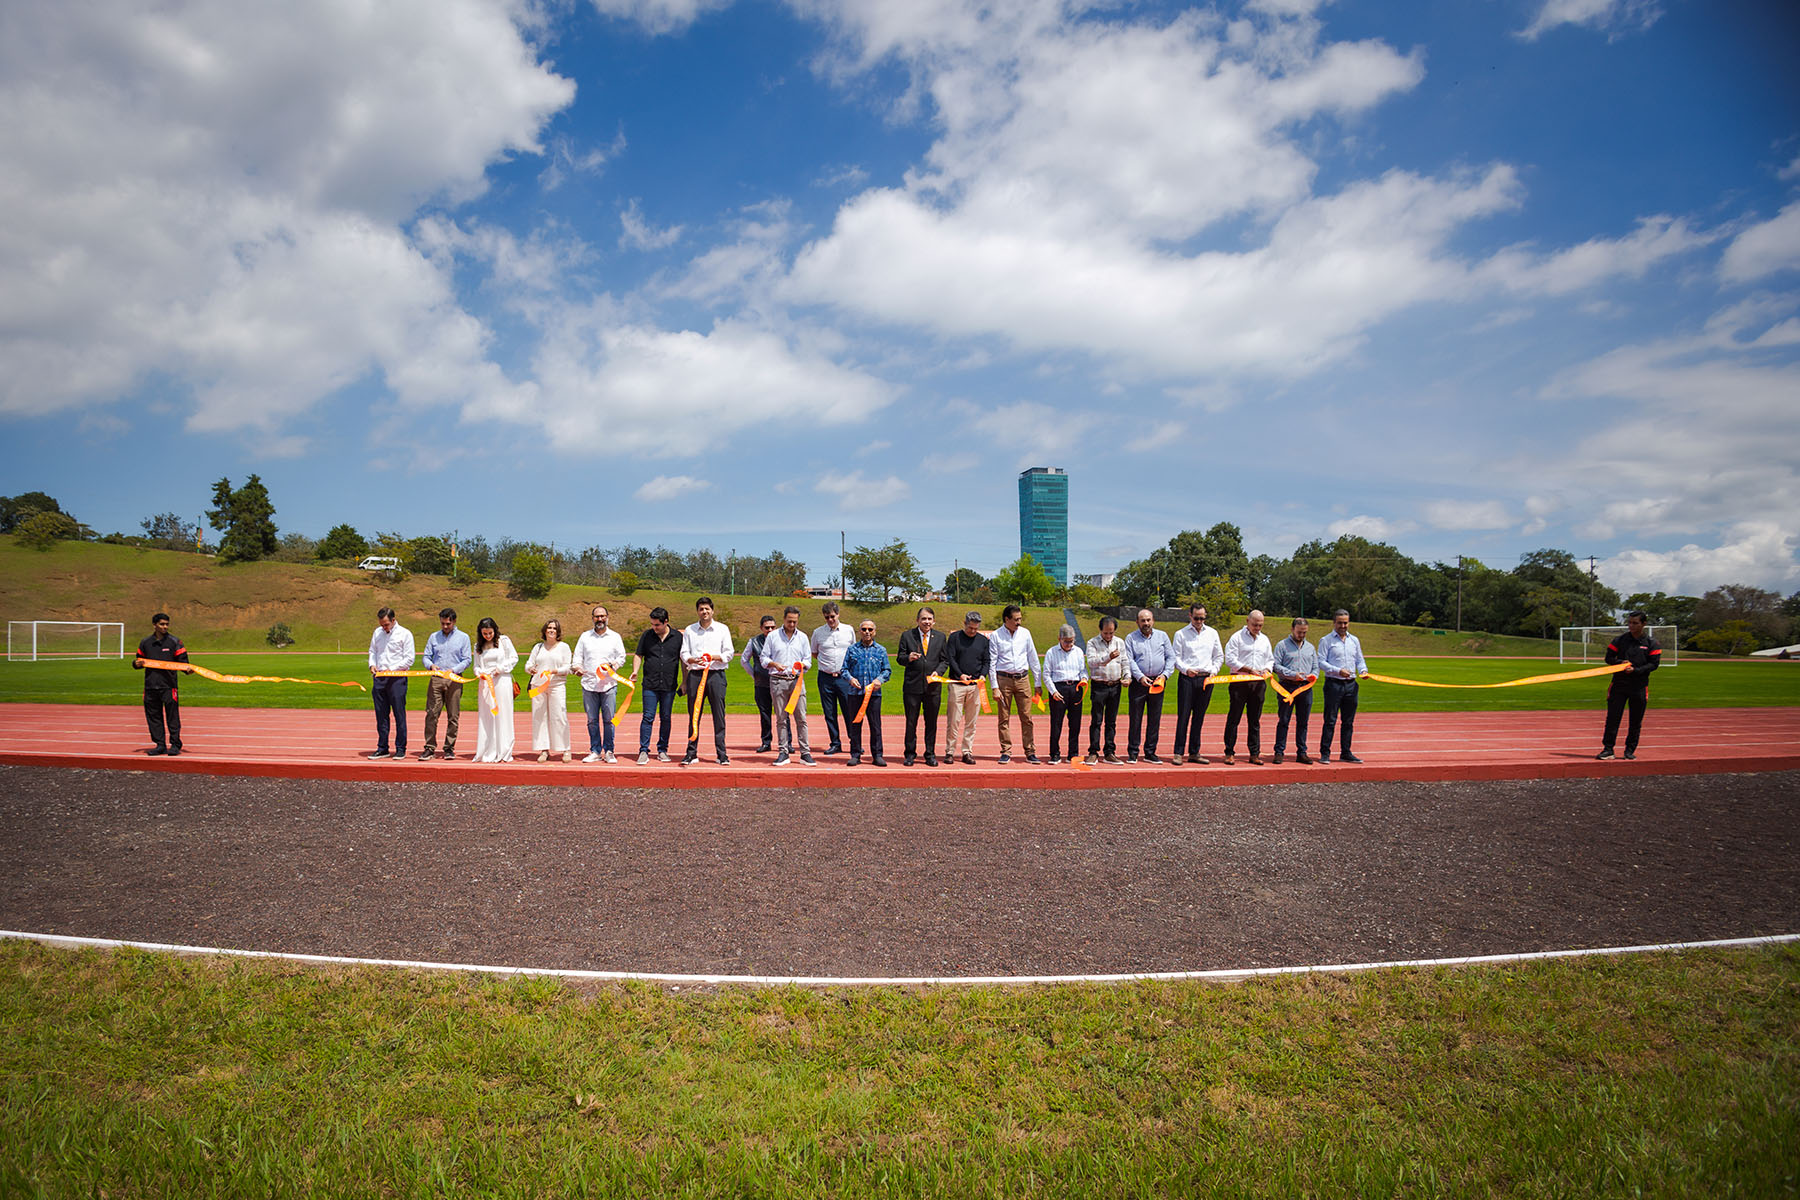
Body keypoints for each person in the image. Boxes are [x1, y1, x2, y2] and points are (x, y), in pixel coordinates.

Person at [1597, 611, 1662, 760]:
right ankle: (1608, 749)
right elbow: (1608, 658)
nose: (1631, 626)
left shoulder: (1652, 643)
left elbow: (1654, 664)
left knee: (1635, 720)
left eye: (1635, 623)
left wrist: (1636, 670)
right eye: (1630, 622)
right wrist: (1620, 663)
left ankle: (1629, 750)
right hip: (1618, 685)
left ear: (1643, 624)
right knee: (1613, 718)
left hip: (1639, 686)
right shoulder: (1619, 640)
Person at [681, 596, 734, 766]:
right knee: (694, 715)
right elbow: (684, 653)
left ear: (712, 610)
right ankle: (691, 752)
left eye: (707, 609)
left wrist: (714, 657)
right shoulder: (690, 630)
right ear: (697, 611)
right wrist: (692, 660)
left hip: (716, 675)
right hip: (695, 676)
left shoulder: (722, 629)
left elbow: (729, 653)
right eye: (701, 609)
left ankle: (721, 753)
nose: (704, 612)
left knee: (719, 715)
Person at [761, 605, 816, 766]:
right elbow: (763, 658)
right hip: (777, 681)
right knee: (781, 719)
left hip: (797, 682)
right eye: (789, 621)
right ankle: (783, 752)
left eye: (795, 622)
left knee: (801, 718)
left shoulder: (803, 637)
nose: (792, 624)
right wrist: (773, 664)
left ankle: (805, 753)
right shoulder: (773, 637)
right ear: (784, 619)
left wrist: (801, 665)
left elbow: (808, 660)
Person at [571, 605, 626, 763]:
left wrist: (613, 666)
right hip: (589, 685)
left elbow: (621, 656)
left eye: (602, 616)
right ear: (592, 618)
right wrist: (577, 668)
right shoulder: (585, 637)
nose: (600, 619)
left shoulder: (615, 637)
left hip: (609, 685)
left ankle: (609, 751)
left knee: (609, 720)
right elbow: (577, 658)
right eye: (597, 616)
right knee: (592, 720)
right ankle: (595, 750)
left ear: (607, 617)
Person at [1171, 604, 1224, 765]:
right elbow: (1176, 658)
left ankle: (1194, 752)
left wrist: (1214, 670)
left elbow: (1219, 655)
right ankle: (1178, 752)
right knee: (1184, 716)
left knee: (1199, 717)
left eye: (1202, 618)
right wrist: (1186, 670)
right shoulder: (1181, 634)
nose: (1199, 621)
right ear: (1190, 616)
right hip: (1187, 679)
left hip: (1206, 679)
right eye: (1196, 618)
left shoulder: (1212, 633)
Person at [988, 604, 1042, 765]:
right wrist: (994, 687)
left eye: (1020, 619)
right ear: (1007, 619)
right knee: (1003, 718)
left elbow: (1033, 657)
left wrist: (1037, 683)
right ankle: (1005, 751)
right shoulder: (996, 636)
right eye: (1016, 619)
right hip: (1003, 680)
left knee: (1027, 717)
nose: (1019, 622)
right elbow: (992, 662)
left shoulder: (1025, 634)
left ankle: (1030, 751)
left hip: (1023, 679)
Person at [1222, 610, 1274, 765]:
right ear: (1247, 621)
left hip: (1258, 684)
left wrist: (1267, 669)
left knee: (1255, 720)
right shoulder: (1236, 638)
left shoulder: (1264, 639)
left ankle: (1254, 753)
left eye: (1260, 625)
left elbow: (1270, 659)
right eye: (1255, 624)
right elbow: (1230, 659)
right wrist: (1248, 669)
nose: (1257, 627)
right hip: (1239, 682)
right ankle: (1229, 752)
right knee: (1234, 718)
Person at [896, 607, 946, 766]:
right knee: (911, 722)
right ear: (917, 620)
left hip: (933, 687)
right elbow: (899, 658)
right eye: (923, 619)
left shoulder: (940, 637)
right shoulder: (907, 635)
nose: (927, 622)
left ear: (934, 621)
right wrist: (908, 657)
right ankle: (910, 754)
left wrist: (938, 672)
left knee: (931, 722)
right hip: (912, 687)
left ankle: (930, 754)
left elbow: (945, 660)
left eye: (930, 619)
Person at [418, 608, 470, 761]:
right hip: (436, 678)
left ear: (454, 621)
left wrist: (453, 670)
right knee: (432, 714)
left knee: (453, 716)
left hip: (454, 679)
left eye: (448, 623)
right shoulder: (434, 637)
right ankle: (429, 747)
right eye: (442, 623)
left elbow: (467, 659)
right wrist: (431, 666)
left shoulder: (463, 637)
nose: (445, 626)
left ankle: (449, 748)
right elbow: (426, 656)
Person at [1317, 609, 1368, 764]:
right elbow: (1321, 662)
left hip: (1351, 685)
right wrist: (1338, 670)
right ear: (1334, 623)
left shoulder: (1354, 641)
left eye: (1345, 622)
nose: (1343, 625)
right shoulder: (1326, 641)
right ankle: (1325, 753)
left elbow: (1359, 659)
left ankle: (1346, 752)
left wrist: (1364, 670)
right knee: (1330, 720)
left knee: (1348, 721)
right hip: (1334, 684)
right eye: (1340, 622)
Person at [1124, 608, 1175, 763]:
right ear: (1137, 622)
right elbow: (1129, 660)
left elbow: (1171, 657)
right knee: (1135, 719)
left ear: (1153, 620)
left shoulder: (1162, 636)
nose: (1146, 623)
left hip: (1157, 683)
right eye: (1142, 620)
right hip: (1138, 684)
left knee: (1154, 719)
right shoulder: (1131, 638)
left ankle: (1150, 752)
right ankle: (1133, 752)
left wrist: (1165, 675)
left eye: (1148, 620)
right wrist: (1140, 677)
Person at [633, 607, 682, 764]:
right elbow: (638, 654)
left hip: (669, 685)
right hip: (650, 684)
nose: (654, 628)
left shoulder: (678, 637)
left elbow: (684, 661)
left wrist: (685, 682)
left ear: (666, 622)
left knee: (666, 717)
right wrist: (635, 671)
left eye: (657, 625)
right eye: (652, 624)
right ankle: (643, 750)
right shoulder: (647, 636)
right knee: (648, 717)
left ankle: (662, 750)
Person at [134, 611, 188, 756]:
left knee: (172, 716)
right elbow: (139, 661)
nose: (165, 627)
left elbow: (183, 663)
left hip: (169, 686)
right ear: (154, 625)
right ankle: (160, 745)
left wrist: (188, 670)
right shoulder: (145, 643)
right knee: (153, 716)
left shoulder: (175, 642)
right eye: (162, 624)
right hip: (151, 685)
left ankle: (175, 744)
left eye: (167, 624)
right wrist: (136, 664)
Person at [943, 611, 992, 764]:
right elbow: (951, 658)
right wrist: (960, 674)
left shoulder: (983, 641)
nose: (972, 631)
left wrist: (983, 675)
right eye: (970, 628)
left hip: (975, 686)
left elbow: (987, 661)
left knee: (971, 721)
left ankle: (967, 751)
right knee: (954, 720)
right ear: (964, 624)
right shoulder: (954, 638)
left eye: (975, 629)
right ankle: (950, 751)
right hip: (957, 684)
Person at [367, 606, 415, 760]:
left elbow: (409, 658)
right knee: (381, 715)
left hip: (397, 679)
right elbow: (373, 651)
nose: (384, 627)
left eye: (386, 624)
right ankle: (382, 748)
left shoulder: (405, 634)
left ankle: (400, 748)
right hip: (379, 678)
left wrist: (391, 670)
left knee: (399, 714)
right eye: (382, 624)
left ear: (393, 620)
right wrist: (372, 664)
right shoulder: (377, 633)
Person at [842, 619, 891, 766]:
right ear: (859, 632)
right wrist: (850, 679)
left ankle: (877, 755)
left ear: (874, 631)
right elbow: (844, 669)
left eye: (870, 629)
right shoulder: (852, 650)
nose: (867, 632)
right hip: (854, 694)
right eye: (864, 629)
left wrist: (880, 680)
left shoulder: (881, 650)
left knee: (875, 726)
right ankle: (855, 754)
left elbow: (887, 670)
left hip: (874, 695)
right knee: (855, 725)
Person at [810, 601, 856, 755]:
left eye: (832, 616)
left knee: (849, 711)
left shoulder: (848, 630)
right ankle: (835, 743)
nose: (830, 620)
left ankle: (854, 742)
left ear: (838, 614)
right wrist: (828, 666)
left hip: (844, 677)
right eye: (827, 617)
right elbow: (815, 653)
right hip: (825, 678)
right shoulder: (818, 633)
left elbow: (853, 651)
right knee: (829, 712)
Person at [471, 617, 519, 763]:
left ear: (495, 630)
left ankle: (504, 750)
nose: (488, 636)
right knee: (487, 716)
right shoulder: (478, 646)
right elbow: (476, 666)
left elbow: (513, 658)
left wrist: (501, 668)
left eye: (490, 633)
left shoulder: (504, 641)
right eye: (485, 634)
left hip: (502, 681)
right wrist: (479, 673)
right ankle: (488, 749)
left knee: (503, 714)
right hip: (485, 683)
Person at [1271, 617, 1318, 765]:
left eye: (1304, 633)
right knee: (1284, 720)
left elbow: (1315, 667)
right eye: (1299, 632)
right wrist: (1292, 674)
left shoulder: (1310, 648)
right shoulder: (1282, 646)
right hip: (1287, 687)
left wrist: (1313, 676)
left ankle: (1302, 752)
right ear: (1292, 629)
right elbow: (1275, 666)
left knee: (1303, 722)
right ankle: (1279, 752)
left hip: (1305, 688)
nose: (1302, 635)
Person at [526, 618, 573, 763]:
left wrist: (555, 671)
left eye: (554, 628)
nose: (551, 630)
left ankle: (565, 748)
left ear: (558, 631)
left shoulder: (564, 647)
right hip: (538, 686)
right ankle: (544, 749)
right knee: (539, 717)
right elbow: (528, 664)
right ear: (545, 630)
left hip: (556, 685)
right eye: (549, 628)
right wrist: (530, 669)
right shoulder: (538, 647)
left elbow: (568, 668)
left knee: (559, 715)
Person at [1085, 616, 1129, 764]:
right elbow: (1091, 662)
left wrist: (1127, 677)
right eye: (1105, 633)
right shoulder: (1093, 642)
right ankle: (1093, 752)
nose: (1109, 636)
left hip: (1115, 686)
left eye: (1111, 633)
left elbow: (1125, 662)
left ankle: (1110, 751)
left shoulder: (1119, 642)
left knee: (1111, 721)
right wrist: (1108, 657)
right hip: (1099, 686)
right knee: (1096, 720)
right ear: (1100, 630)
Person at [1042, 624, 1087, 764]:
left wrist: (1084, 678)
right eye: (1066, 641)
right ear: (1059, 639)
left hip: (1075, 688)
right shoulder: (1051, 652)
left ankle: (1073, 754)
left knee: (1075, 724)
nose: (1069, 644)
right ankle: (1054, 754)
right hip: (1058, 689)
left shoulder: (1078, 651)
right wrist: (1053, 691)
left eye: (1072, 641)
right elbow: (1046, 674)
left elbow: (1083, 670)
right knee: (1056, 723)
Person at [740, 614, 778, 753]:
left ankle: (787, 743)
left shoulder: (782, 640)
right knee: (765, 714)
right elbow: (744, 660)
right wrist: (754, 674)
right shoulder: (754, 642)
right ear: (761, 628)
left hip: (780, 683)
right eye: (767, 627)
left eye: (773, 627)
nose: (770, 630)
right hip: (762, 684)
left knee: (783, 715)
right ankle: (766, 742)